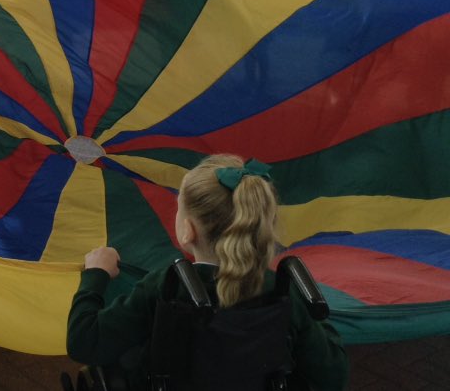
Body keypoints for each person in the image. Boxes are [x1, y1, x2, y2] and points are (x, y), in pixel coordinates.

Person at [67, 154, 348, 390]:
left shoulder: (167, 286)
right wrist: (314, 322)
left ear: (187, 230)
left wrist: (95, 276)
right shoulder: (282, 291)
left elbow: (84, 342)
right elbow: (332, 377)